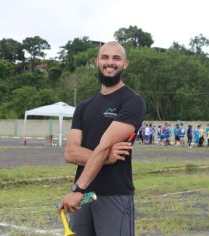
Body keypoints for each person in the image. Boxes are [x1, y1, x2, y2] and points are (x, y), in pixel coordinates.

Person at [58, 41, 146, 236]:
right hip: (85, 198)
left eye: (117, 58)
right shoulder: (84, 107)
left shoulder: (132, 101)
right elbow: (70, 153)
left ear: (125, 64)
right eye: (105, 57)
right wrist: (106, 158)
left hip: (114, 193)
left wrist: (77, 189)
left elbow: (105, 144)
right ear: (97, 62)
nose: (110, 62)